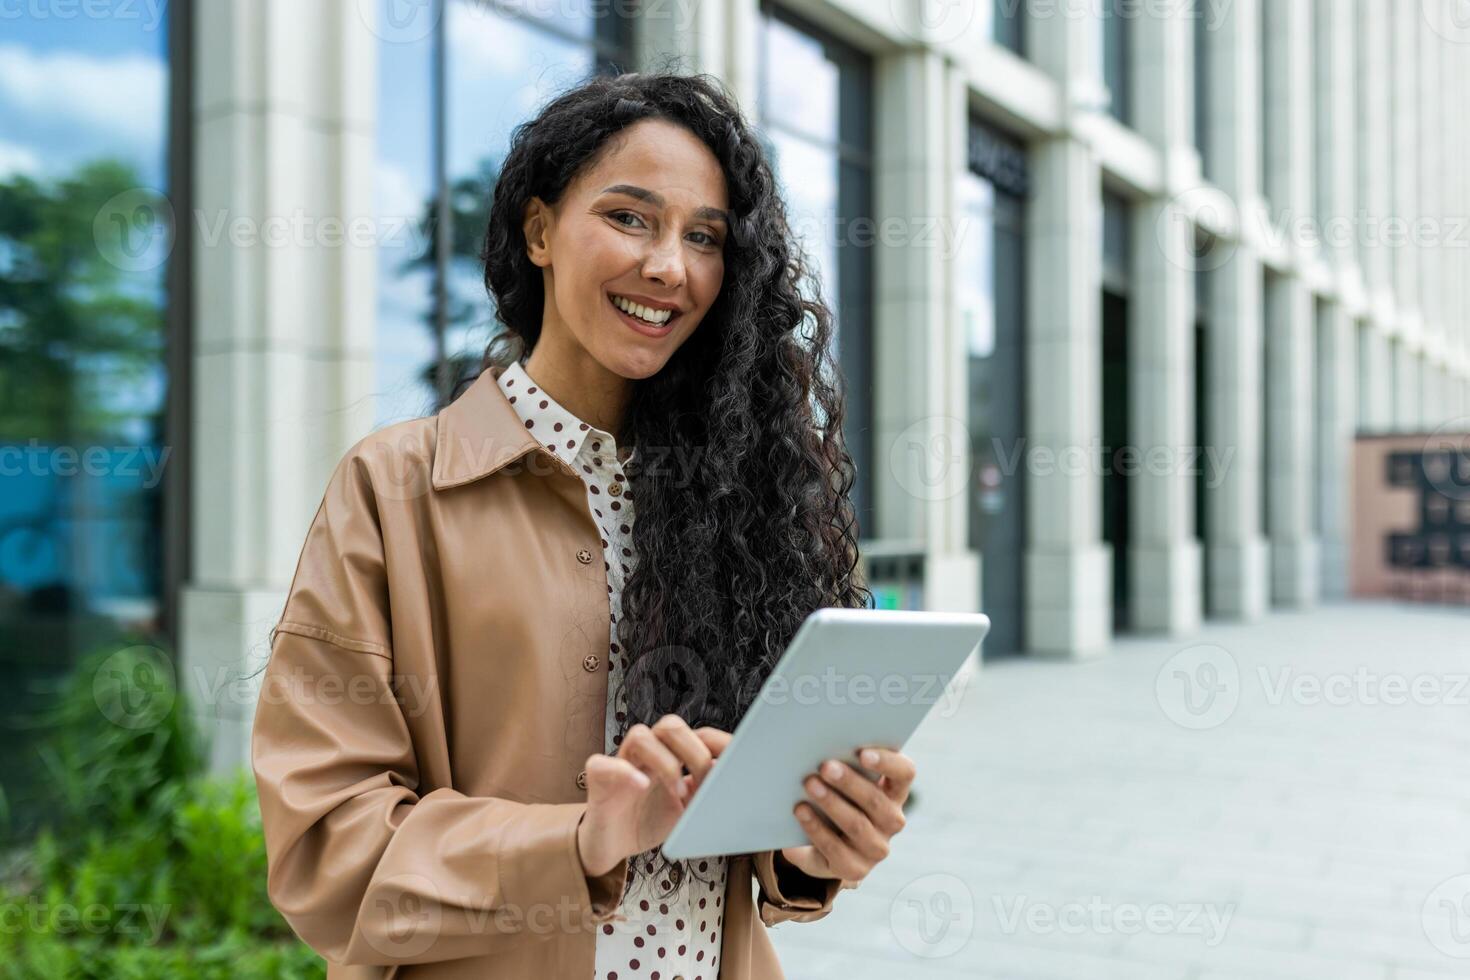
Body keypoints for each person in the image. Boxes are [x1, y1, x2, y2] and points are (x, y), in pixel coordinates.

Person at [250, 70, 915, 980]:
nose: (668, 266)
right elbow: (324, 852)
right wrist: (579, 842)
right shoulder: (395, 487)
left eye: (705, 236)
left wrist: (810, 847)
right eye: (630, 217)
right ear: (538, 232)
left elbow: (741, 830)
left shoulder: (736, 500)